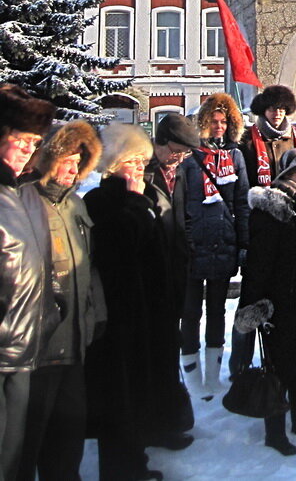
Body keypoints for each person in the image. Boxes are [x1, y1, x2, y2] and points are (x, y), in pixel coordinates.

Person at [84, 123, 178, 481]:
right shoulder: (100, 200)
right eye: (132, 161)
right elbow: (120, 246)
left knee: (139, 390)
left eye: (142, 161)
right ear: (113, 163)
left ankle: (136, 461)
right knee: (119, 397)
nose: (140, 168)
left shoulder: (143, 195)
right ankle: (120, 470)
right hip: (120, 314)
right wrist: (139, 205)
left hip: (146, 309)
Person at [17, 119, 104, 481]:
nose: (71, 169)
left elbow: (89, 264)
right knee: (26, 442)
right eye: (66, 160)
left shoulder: (75, 205)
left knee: (68, 439)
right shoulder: (23, 202)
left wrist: (97, 314)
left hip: (74, 343)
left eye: (77, 162)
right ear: (47, 159)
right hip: (37, 350)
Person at [236, 147, 296, 455]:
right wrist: (254, 305)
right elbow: (259, 262)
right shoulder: (273, 209)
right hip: (278, 303)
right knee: (278, 369)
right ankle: (275, 433)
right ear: (288, 174)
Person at [0, 85, 60, 481]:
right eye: (20, 138)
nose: (28, 148)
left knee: (14, 456)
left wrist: (52, 308)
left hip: (23, 350)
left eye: (34, 142)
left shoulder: (21, 192)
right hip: (4, 350)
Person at [233, 85, 296, 376]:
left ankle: (283, 360)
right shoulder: (248, 141)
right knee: (253, 295)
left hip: (290, 223)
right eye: (272, 108)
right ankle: (241, 362)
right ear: (263, 110)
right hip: (260, 223)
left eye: (282, 108)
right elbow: (242, 184)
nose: (277, 113)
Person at [181, 94, 249, 394]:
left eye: (224, 122)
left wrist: (243, 243)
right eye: (214, 121)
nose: (219, 127)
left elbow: (242, 202)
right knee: (191, 311)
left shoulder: (235, 157)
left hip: (224, 241)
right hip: (195, 242)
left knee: (218, 310)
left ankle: (213, 375)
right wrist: (185, 237)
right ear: (203, 123)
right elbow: (182, 201)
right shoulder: (190, 158)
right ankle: (192, 378)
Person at [142, 112, 200, 450]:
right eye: (177, 151)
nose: (180, 158)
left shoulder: (178, 171)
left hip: (175, 274)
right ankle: (154, 424)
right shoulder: (144, 173)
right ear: (160, 143)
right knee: (153, 354)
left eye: (185, 154)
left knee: (167, 350)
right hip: (151, 279)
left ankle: (166, 420)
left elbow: (183, 219)